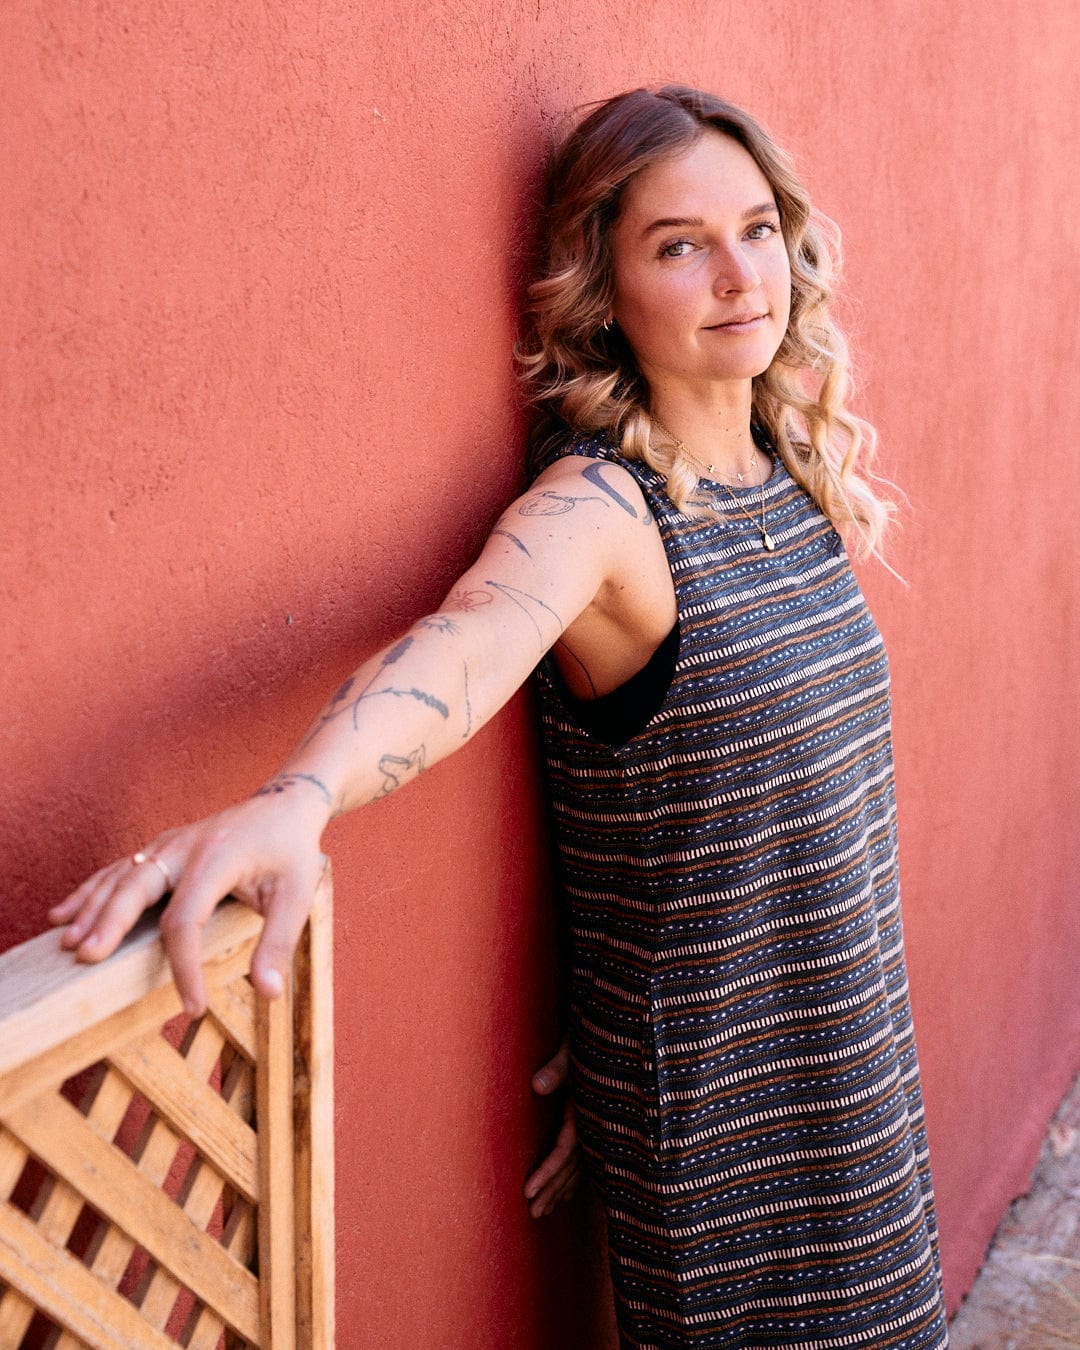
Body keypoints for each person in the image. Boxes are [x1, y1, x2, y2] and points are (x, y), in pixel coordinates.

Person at [49, 85, 949, 1348]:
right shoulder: (601, 512)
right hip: (726, 1141)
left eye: (755, 229)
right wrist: (296, 799)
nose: (739, 275)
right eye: (679, 245)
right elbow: (464, 647)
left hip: (852, 1081)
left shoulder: (784, 472)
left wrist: (635, 993)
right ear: (604, 290)